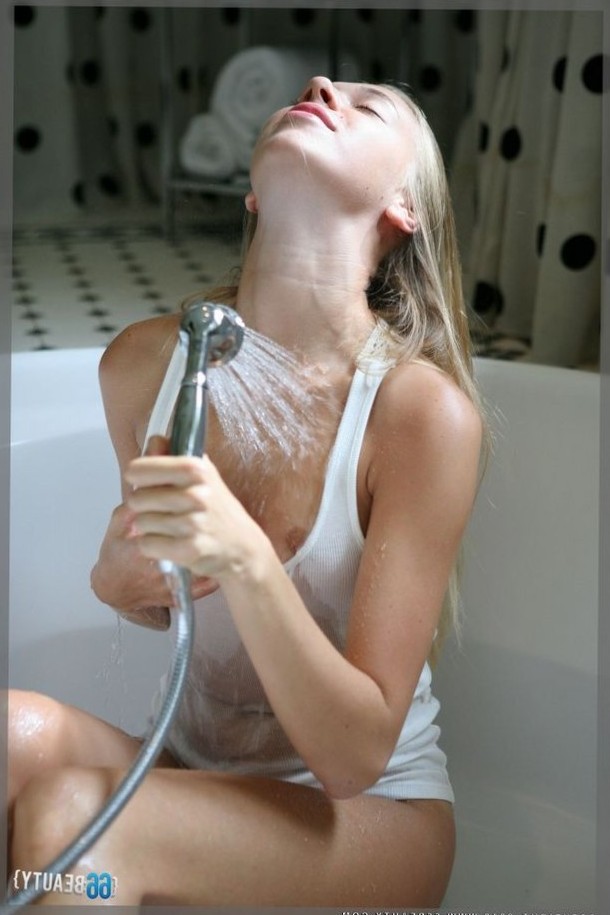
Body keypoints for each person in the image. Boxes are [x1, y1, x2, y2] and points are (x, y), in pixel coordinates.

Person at [8, 76, 484, 907]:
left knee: (78, 817)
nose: (322, 85)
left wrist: (247, 558)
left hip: (368, 820)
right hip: (200, 777)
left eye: (367, 107)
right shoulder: (144, 368)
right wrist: (117, 584)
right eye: (315, 92)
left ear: (402, 210)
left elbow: (353, 753)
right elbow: (167, 597)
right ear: (255, 192)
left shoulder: (417, 414)